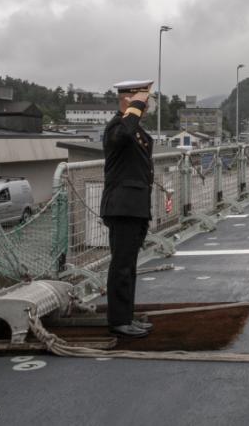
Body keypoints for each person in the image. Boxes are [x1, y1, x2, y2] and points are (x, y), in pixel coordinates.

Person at [100, 79, 157, 337]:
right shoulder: (116, 127)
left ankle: (126, 316)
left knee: (130, 265)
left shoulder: (137, 132)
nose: (147, 104)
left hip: (135, 207)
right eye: (144, 99)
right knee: (121, 266)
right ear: (128, 101)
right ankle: (118, 321)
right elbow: (123, 134)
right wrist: (134, 106)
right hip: (122, 207)